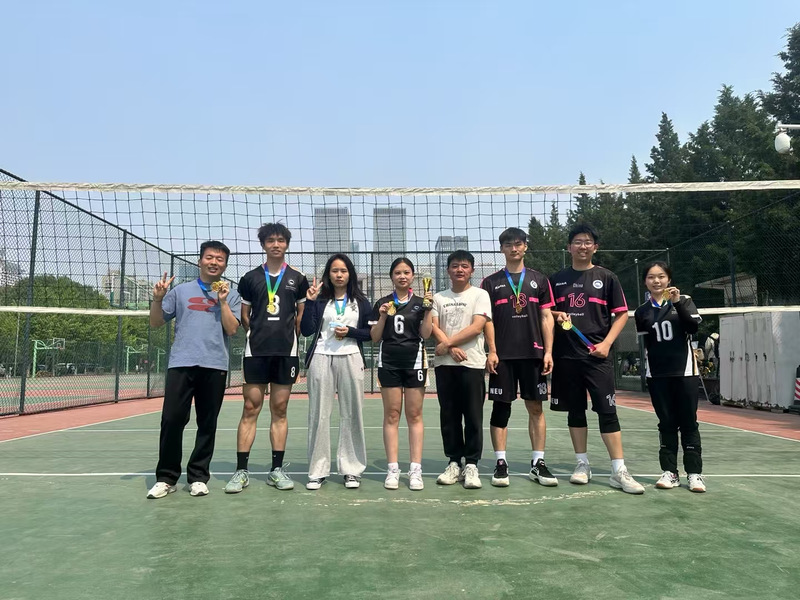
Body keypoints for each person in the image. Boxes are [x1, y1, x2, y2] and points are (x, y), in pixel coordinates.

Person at [549, 224, 644, 494]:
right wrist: (557, 315)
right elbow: (545, 312)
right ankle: (582, 464)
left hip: (597, 356)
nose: (582, 246)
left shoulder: (607, 277)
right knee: (575, 411)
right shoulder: (556, 280)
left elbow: (621, 314)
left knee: (607, 411)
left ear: (595, 247)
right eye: (577, 242)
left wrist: (607, 343)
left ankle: (618, 470)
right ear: (569, 247)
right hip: (567, 356)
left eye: (587, 242)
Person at [146, 241, 241, 499]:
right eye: (209, 257)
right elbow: (155, 322)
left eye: (220, 259)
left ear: (225, 265)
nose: (214, 262)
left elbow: (232, 329)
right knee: (171, 420)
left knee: (207, 423)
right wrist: (158, 298)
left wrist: (222, 302)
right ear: (200, 261)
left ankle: (198, 477)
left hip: (214, 365)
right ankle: (166, 478)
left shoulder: (231, 294)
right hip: (181, 364)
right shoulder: (180, 291)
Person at [225, 223, 309, 493]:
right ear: (263, 245)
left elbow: (300, 317)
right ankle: (241, 471)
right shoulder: (250, 278)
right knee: (251, 408)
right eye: (271, 240)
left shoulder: (298, 278)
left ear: (287, 244)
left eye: (280, 240)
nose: (276, 244)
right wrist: (258, 334)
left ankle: (276, 470)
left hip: (286, 352)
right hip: (256, 352)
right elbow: (245, 316)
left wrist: (286, 337)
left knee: (280, 409)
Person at [482, 227, 558, 487]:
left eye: (518, 244)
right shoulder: (490, 283)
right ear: (501, 249)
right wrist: (492, 350)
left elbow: (547, 317)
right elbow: (487, 320)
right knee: (500, 408)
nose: (513, 248)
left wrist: (548, 351)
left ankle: (538, 463)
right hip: (502, 356)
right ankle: (500, 463)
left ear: (525, 246)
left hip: (533, 354)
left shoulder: (540, 279)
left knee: (536, 408)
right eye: (508, 245)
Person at [301, 254, 373, 490]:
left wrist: (350, 332)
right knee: (319, 414)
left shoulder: (361, 302)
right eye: (334, 271)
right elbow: (306, 330)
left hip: (351, 356)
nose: (339, 275)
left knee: (352, 414)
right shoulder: (320, 299)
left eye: (343, 270)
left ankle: (352, 470)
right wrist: (309, 302)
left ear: (350, 274)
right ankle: (317, 471)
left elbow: (371, 334)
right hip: (321, 356)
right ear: (328, 275)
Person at [634, 261, 706, 493]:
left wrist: (676, 303)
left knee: (688, 422)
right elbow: (647, 343)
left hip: (684, 372)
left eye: (661, 276)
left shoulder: (684, 300)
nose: (656, 281)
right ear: (645, 281)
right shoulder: (642, 311)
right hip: (657, 374)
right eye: (651, 277)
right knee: (666, 422)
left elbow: (693, 327)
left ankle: (694, 473)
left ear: (669, 279)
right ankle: (670, 472)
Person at [370, 257, 433, 491]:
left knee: (414, 415)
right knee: (392, 415)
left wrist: (428, 310)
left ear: (413, 276)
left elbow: (426, 334)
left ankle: (415, 470)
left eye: (406, 272)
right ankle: (393, 469)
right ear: (392, 277)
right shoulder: (382, 303)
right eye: (398, 273)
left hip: (415, 362)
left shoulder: (421, 302)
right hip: (389, 363)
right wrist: (382, 316)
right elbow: (375, 337)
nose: (402, 276)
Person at [431, 250, 492, 489]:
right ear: (448, 270)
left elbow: (477, 327)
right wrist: (450, 348)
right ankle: (454, 462)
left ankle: (472, 464)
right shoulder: (438, 297)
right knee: (449, 416)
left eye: (464, 266)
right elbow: (434, 326)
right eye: (455, 266)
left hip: (472, 363)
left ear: (472, 270)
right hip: (445, 365)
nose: (459, 270)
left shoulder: (480, 295)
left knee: (473, 416)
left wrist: (447, 344)